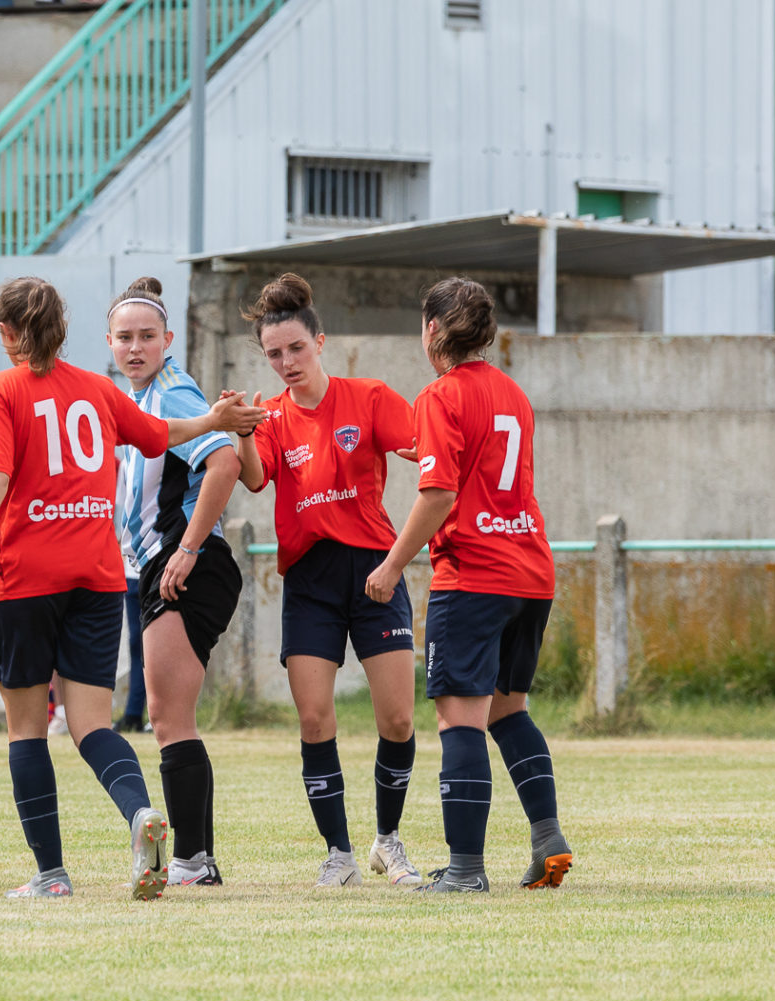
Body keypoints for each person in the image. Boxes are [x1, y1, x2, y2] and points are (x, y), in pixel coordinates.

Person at [0, 275, 262, 898]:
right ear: (65, 330)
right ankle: (141, 813)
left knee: (27, 729)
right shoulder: (98, 389)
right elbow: (159, 435)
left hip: (26, 576)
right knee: (93, 724)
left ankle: (52, 875)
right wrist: (215, 418)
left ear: (6, 334)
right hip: (95, 576)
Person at [363, 278, 573, 894]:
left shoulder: (441, 395)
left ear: (433, 330)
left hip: (474, 575)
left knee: (460, 722)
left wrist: (392, 564)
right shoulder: (514, 395)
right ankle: (547, 836)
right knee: (509, 711)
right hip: (531, 572)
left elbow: (440, 493)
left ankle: (464, 870)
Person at [229, 273, 423, 884]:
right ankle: (338, 853)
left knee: (396, 719)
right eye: (274, 354)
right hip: (310, 580)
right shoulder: (271, 419)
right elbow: (256, 479)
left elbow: (426, 449)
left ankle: (387, 841)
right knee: (315, 719)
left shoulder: (368, 397)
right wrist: (240, 431)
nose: (286, 362)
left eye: (295, 348)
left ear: (320, 341)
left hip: (374, 571)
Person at [104, 280, 244, 884]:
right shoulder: (131, 396)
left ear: (168, 341)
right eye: (124, 338)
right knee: (169, 716)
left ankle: (190, 860)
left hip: (187, 561)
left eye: (146, 337)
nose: (135, 348)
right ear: (108, 343)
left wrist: (186, 548)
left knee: (166, 716)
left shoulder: (171, 391)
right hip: (162, 562)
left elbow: (226, 460)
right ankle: (198, 859)